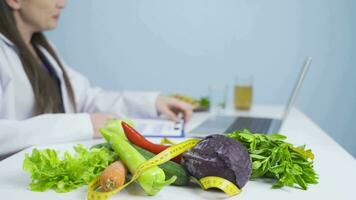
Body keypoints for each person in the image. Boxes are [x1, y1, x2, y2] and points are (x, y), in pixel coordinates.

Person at [0, 0, 193, 159]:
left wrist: (152, 102)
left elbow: (85, 99)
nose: (62, 4)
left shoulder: (43, 50)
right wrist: (82, 125)